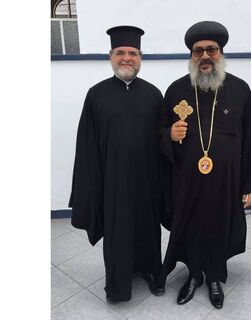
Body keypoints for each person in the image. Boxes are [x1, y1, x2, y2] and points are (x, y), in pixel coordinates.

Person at [156, 21, 251, 309]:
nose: (204, 56)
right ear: (191, 56)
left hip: (225, 182)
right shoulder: (176, 89)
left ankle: (215, 276)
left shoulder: (240, 89)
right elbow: (159, 132)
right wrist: (169, 135)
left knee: (219, 227)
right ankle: (193, 275)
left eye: (211, 50)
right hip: (186, 181)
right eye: (198, 51)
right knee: (189, 226)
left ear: (221, 53)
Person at [69, 25, 165, 303]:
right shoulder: (96, 95)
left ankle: (151, 271)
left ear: (140, 57)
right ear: (110, 56)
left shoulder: (153, 95)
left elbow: (162, 139)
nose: (127, 58)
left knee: (148, 227)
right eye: (121, 52)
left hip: (147, 179)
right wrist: (89, 185)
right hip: (112, 181)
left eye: (132, 53)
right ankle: (118, 284)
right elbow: (86, 143)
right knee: (117, 232)